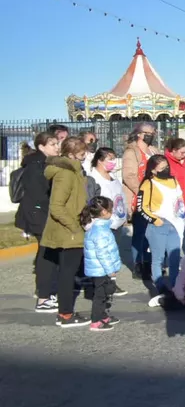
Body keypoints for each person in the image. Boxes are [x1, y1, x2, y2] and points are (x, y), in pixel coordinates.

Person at [41, 136, 90, 327]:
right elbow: (57, 206)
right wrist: (74, 226)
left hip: (71, 229)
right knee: (67, 274)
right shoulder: (66, 174)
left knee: (67, 273)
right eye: (81, 154)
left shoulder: (75, 172)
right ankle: (66, 314)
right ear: (70, 154)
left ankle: (65, 312)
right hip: (68, 232)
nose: (84, 158)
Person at [16, 133, 61, 312]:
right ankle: (43, 297)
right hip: (39, 216)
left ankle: (46, 292)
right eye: (52, 144)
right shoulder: (36, 166)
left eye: (57, 144)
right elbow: (39, 195)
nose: (56, 147)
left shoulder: (43, 163)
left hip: (40, 214)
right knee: (46, 256)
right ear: (41, 147)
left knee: (47, 255)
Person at [137, 155, 185, 301]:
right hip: (158, 225)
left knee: (175, 258)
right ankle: (160, 288)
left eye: (167, 166)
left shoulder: (173, 180)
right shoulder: (148, 184)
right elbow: (141, 207)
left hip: (175, 225)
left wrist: (182, 218)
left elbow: (180, 200)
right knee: (157, 259)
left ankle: (175, 288)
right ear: (153, 170)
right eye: (162, 168)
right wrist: (155, 220)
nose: (166, 170)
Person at [87, 147, 128, 297]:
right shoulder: (94, 179)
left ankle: (111, 282)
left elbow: (120, 196)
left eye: (114, 159)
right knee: (103, 255)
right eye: (109, 159)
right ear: (99, 160)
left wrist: (125, 214)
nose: (113, 163)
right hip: (104, 224)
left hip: (117, 222)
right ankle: (101, 284)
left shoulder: (113, 178)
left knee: (112, 254)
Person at [122, 122, 159, 277]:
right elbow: (128, 175)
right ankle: (138, 264)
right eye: (148, 132)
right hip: (139, 197)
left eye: (153, 132)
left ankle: (150, 262)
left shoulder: (154, 150)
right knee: (140, 232)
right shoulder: (131, 152)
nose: (151, 135)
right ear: (139, 134)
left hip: (155, 197)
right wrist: (142, 192)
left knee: (154, 232)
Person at [81, 196, 122, 331]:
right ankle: (96, 321)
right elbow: (102, 253)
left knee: (106, 292)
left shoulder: (100, 227)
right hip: (100, 269)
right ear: (104, 212)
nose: (112, 212)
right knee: (100, 295)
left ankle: (103, 315)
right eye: (111, 210)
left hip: (100, 268)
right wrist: (110, 269)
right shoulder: (100, 231)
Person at [164, 138, 185, 249]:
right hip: (174, 202)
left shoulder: (184, 160)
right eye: (182, 152)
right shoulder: (165, 161)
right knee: (172, 233)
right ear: (174, 150)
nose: (184, 155)